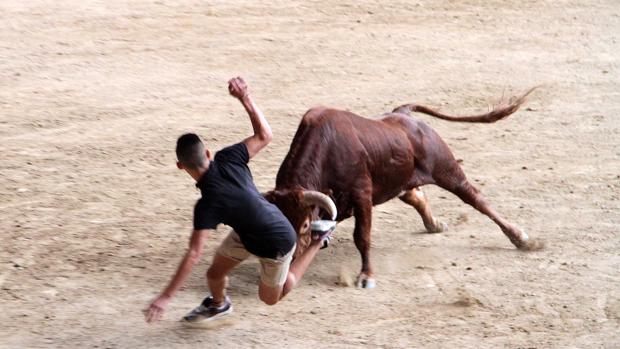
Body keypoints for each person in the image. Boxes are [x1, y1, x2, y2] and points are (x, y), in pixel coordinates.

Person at [143, 77, 333, 324]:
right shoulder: (228, 157)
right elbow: (265, 135)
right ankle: (219, 305)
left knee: (272, 297)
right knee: (214, 274)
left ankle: (318, 240)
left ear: (181, 166)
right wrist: (245, 98)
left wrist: (166, 297)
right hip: (247, 232)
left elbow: (193, 253)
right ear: (208, 153)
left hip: (277, 240)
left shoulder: (207, 205)